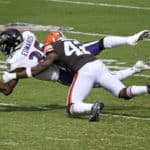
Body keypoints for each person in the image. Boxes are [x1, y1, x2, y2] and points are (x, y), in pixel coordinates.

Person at [2, 29, 150, 122]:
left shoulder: (16, 60)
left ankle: (93, 106)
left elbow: (9, 89)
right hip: (86, 60)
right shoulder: (28, 36)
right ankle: (134, 59)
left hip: (63, 71)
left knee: (81, 97)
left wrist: (12, 76)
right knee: (101, 48)